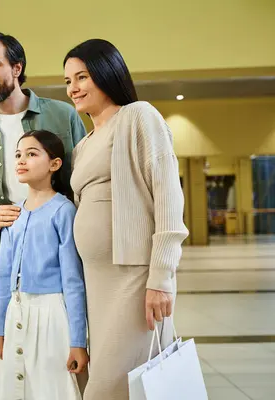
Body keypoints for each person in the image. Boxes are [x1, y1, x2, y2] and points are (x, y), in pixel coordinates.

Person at [0, 32, 87, 400]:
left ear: (17, 68)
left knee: (59, 369)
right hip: (0, 268)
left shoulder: (63, 115)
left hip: (60, 273)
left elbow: (85, 185)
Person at [64, 39, 189, 399]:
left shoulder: (137, 116)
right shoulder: (84, 143)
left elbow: (168, 196)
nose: (73, 87)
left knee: (108, 388)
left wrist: (161, 277)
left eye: (82, 76)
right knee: (122, 386)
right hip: (97, 284)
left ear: (107, 73)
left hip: (133, 279)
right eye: (68, 80)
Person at [0, 130, 88, 400]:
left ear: (54, 164)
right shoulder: (13, 213)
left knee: (48, 387)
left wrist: (78, 341)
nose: (22, 160)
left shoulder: (63, 211)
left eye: (32, 154)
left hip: (52, 316)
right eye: (18, 154)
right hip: (15, 313)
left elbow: (73, 281)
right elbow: (3, 278)